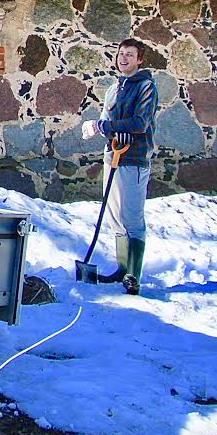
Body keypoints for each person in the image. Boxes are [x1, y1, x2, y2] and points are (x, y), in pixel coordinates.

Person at [81, 37, 157, 295]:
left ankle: (134, 274)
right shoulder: (113, 89)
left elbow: (140, 123)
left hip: (134, 158)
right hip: (111, 156)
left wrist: (107, 127)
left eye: (130, 54)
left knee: (132, 216)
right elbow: (106, 120)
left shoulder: (145, 86)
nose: (124, 58)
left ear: (139, 60)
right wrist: (96, 127)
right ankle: (121, 269)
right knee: (114, 216)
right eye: (121, 53)